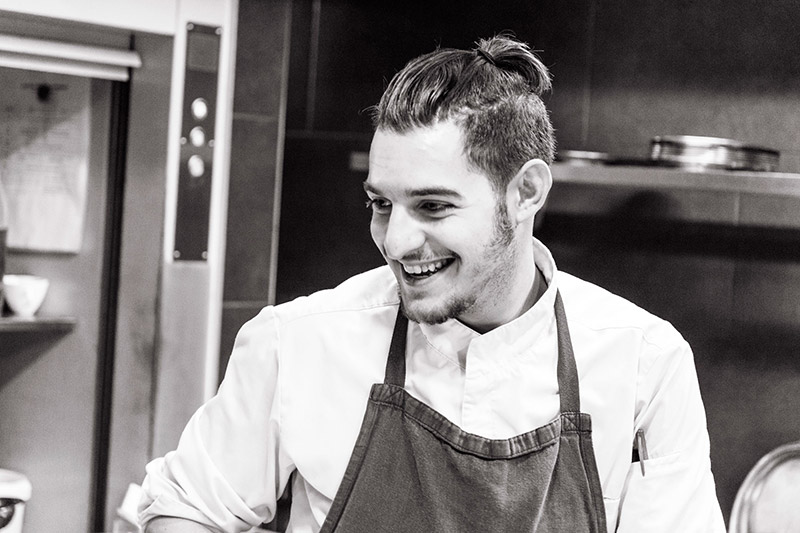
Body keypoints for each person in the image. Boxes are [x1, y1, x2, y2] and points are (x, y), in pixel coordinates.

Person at [139, 34, 726, 532]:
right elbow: (188, 505)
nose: (395, 242)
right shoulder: (297, 342)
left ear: (526, 193)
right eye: (380, 203)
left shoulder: (644, 364)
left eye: (433, 207)